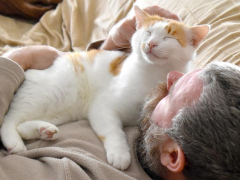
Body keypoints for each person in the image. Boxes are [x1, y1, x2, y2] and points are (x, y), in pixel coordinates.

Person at [0, 5, 240, 180]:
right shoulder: (154, 136)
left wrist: (19, 59)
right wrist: (110, 46)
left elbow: (100, 103)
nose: (170, 79)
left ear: (173, 156)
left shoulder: (70, 173)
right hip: (64, 93)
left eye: (173, 94)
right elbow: (102, 89)